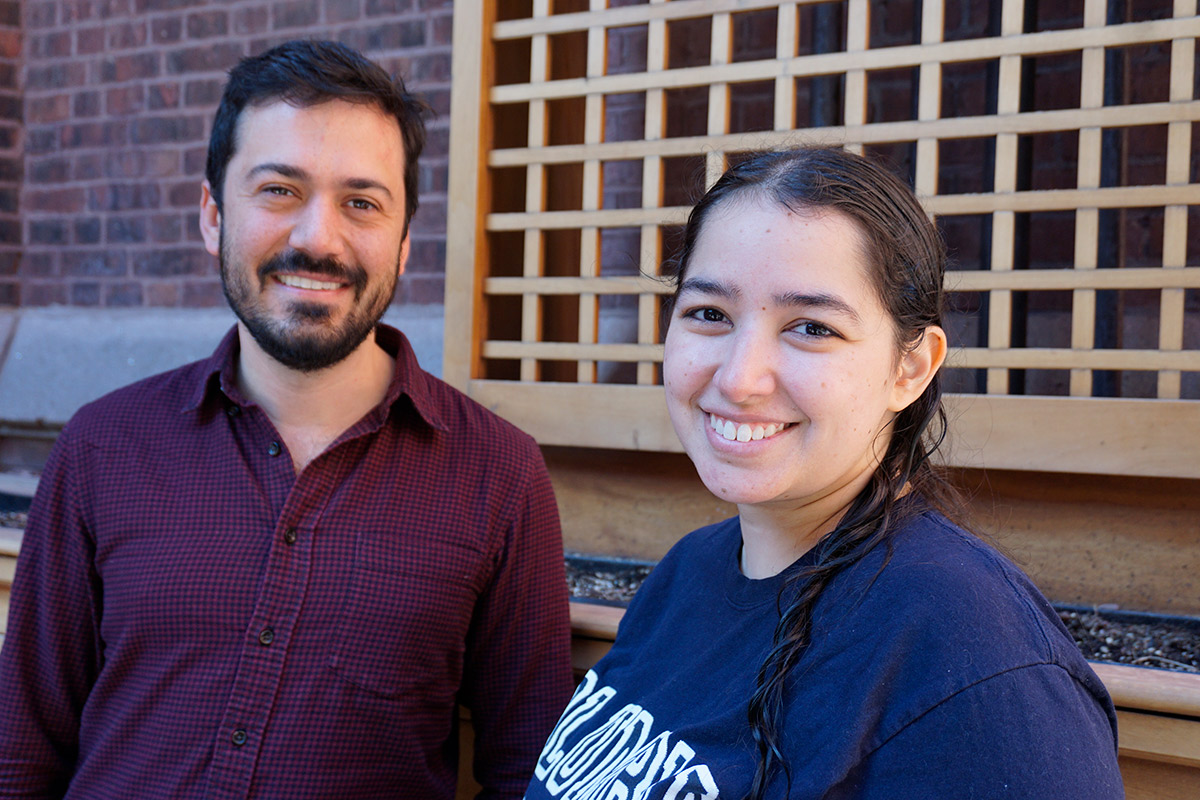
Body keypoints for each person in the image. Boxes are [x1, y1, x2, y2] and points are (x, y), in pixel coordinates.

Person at [0, 40, 573, 799]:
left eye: (361, 203)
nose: (317, 239)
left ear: (403, 245)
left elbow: (525, 771)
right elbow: (22, 753)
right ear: (213, 215)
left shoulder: (499, 475)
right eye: (278, 190)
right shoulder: (103, 446)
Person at [524, 148, 1124, 799]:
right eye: (710, 314)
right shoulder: (686, 574)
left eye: (812, 327)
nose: (739, 379)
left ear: (911, 368)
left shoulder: (975, 656)